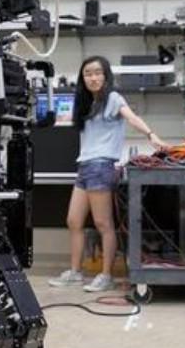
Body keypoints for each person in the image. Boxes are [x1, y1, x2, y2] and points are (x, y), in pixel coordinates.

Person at [49, 56, 167, 292]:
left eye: (97, 73)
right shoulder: (85, 103)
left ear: (105, 75)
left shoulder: (113, 98)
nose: (92, 78)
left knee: (104, 224)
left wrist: (150, 134)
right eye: (87, 74)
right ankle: (75, 272)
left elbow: (131, 117)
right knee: (73, 221)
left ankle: (106, 275)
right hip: (84, 166)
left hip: (101, 166)